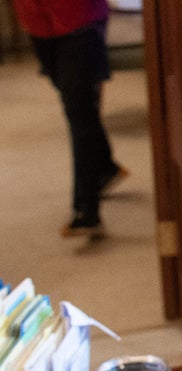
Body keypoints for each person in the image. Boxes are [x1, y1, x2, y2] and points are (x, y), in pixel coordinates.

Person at [12, 0, 127, 238]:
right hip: (37, 23)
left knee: (78, 110)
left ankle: (87, 210)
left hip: (80, 20)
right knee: (78, 106)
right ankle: (105, 167)